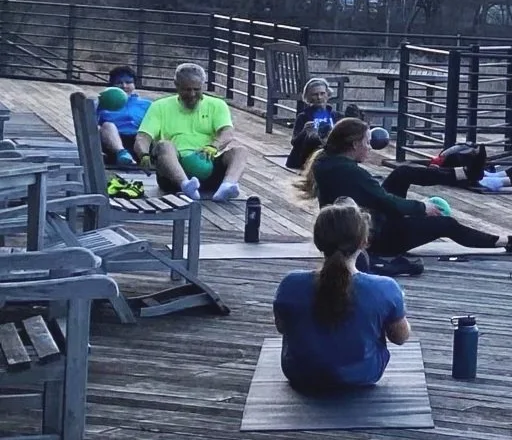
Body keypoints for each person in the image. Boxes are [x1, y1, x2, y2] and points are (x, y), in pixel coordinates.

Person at [298, 117, 512, 274]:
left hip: (359, 223)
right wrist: (422, 208)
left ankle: (466, 172)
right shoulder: (349, 171)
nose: (370, 147)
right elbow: (385, 200)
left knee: (403, 173)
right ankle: (505, 241)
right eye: (367, 142)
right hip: (371, 238)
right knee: (445, 223)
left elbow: (376, 197)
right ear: (353, 145)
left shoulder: (328, 162)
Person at [272, 202, 411, 393]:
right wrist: (398, 304)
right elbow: (400, 338)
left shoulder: (290, 283)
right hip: (362, 375)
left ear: (318, 241)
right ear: (363, 242)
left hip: (299, 373)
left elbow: (282, 327)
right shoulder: (385, 287)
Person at [133, 62, 247, 200]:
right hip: (173, 172)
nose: (192, 94)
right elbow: (143, 137)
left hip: (207, 164)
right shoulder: (159, 106)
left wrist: (213, 146)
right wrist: (144, 154)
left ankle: (227, 186)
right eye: (187, 90)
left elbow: (227, 132)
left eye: (196, 89)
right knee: (164, 145)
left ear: (203, 86)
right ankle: (185, 185)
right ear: (176, 85)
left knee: (240, 151)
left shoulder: (217, 105)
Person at [96, 66, 151, 170]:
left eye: (128, 82)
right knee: (108, 125)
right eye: (119, 82)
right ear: (112, 85)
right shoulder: (103, 103)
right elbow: (93, 124)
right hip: (112, 141)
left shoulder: (146, 104)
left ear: (134, 84)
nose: (124, 86)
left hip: (139, 140)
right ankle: (122, 154)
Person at [284, 76, 339, 170]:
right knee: (313, 139)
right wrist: (304, 131)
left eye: (322, 93)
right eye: (315, 94)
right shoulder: (303, 116)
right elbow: (294, 142)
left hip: (331, 152)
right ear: (308, 97)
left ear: (328, 94)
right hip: (308, 154)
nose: (319, 97)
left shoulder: (335, 116)